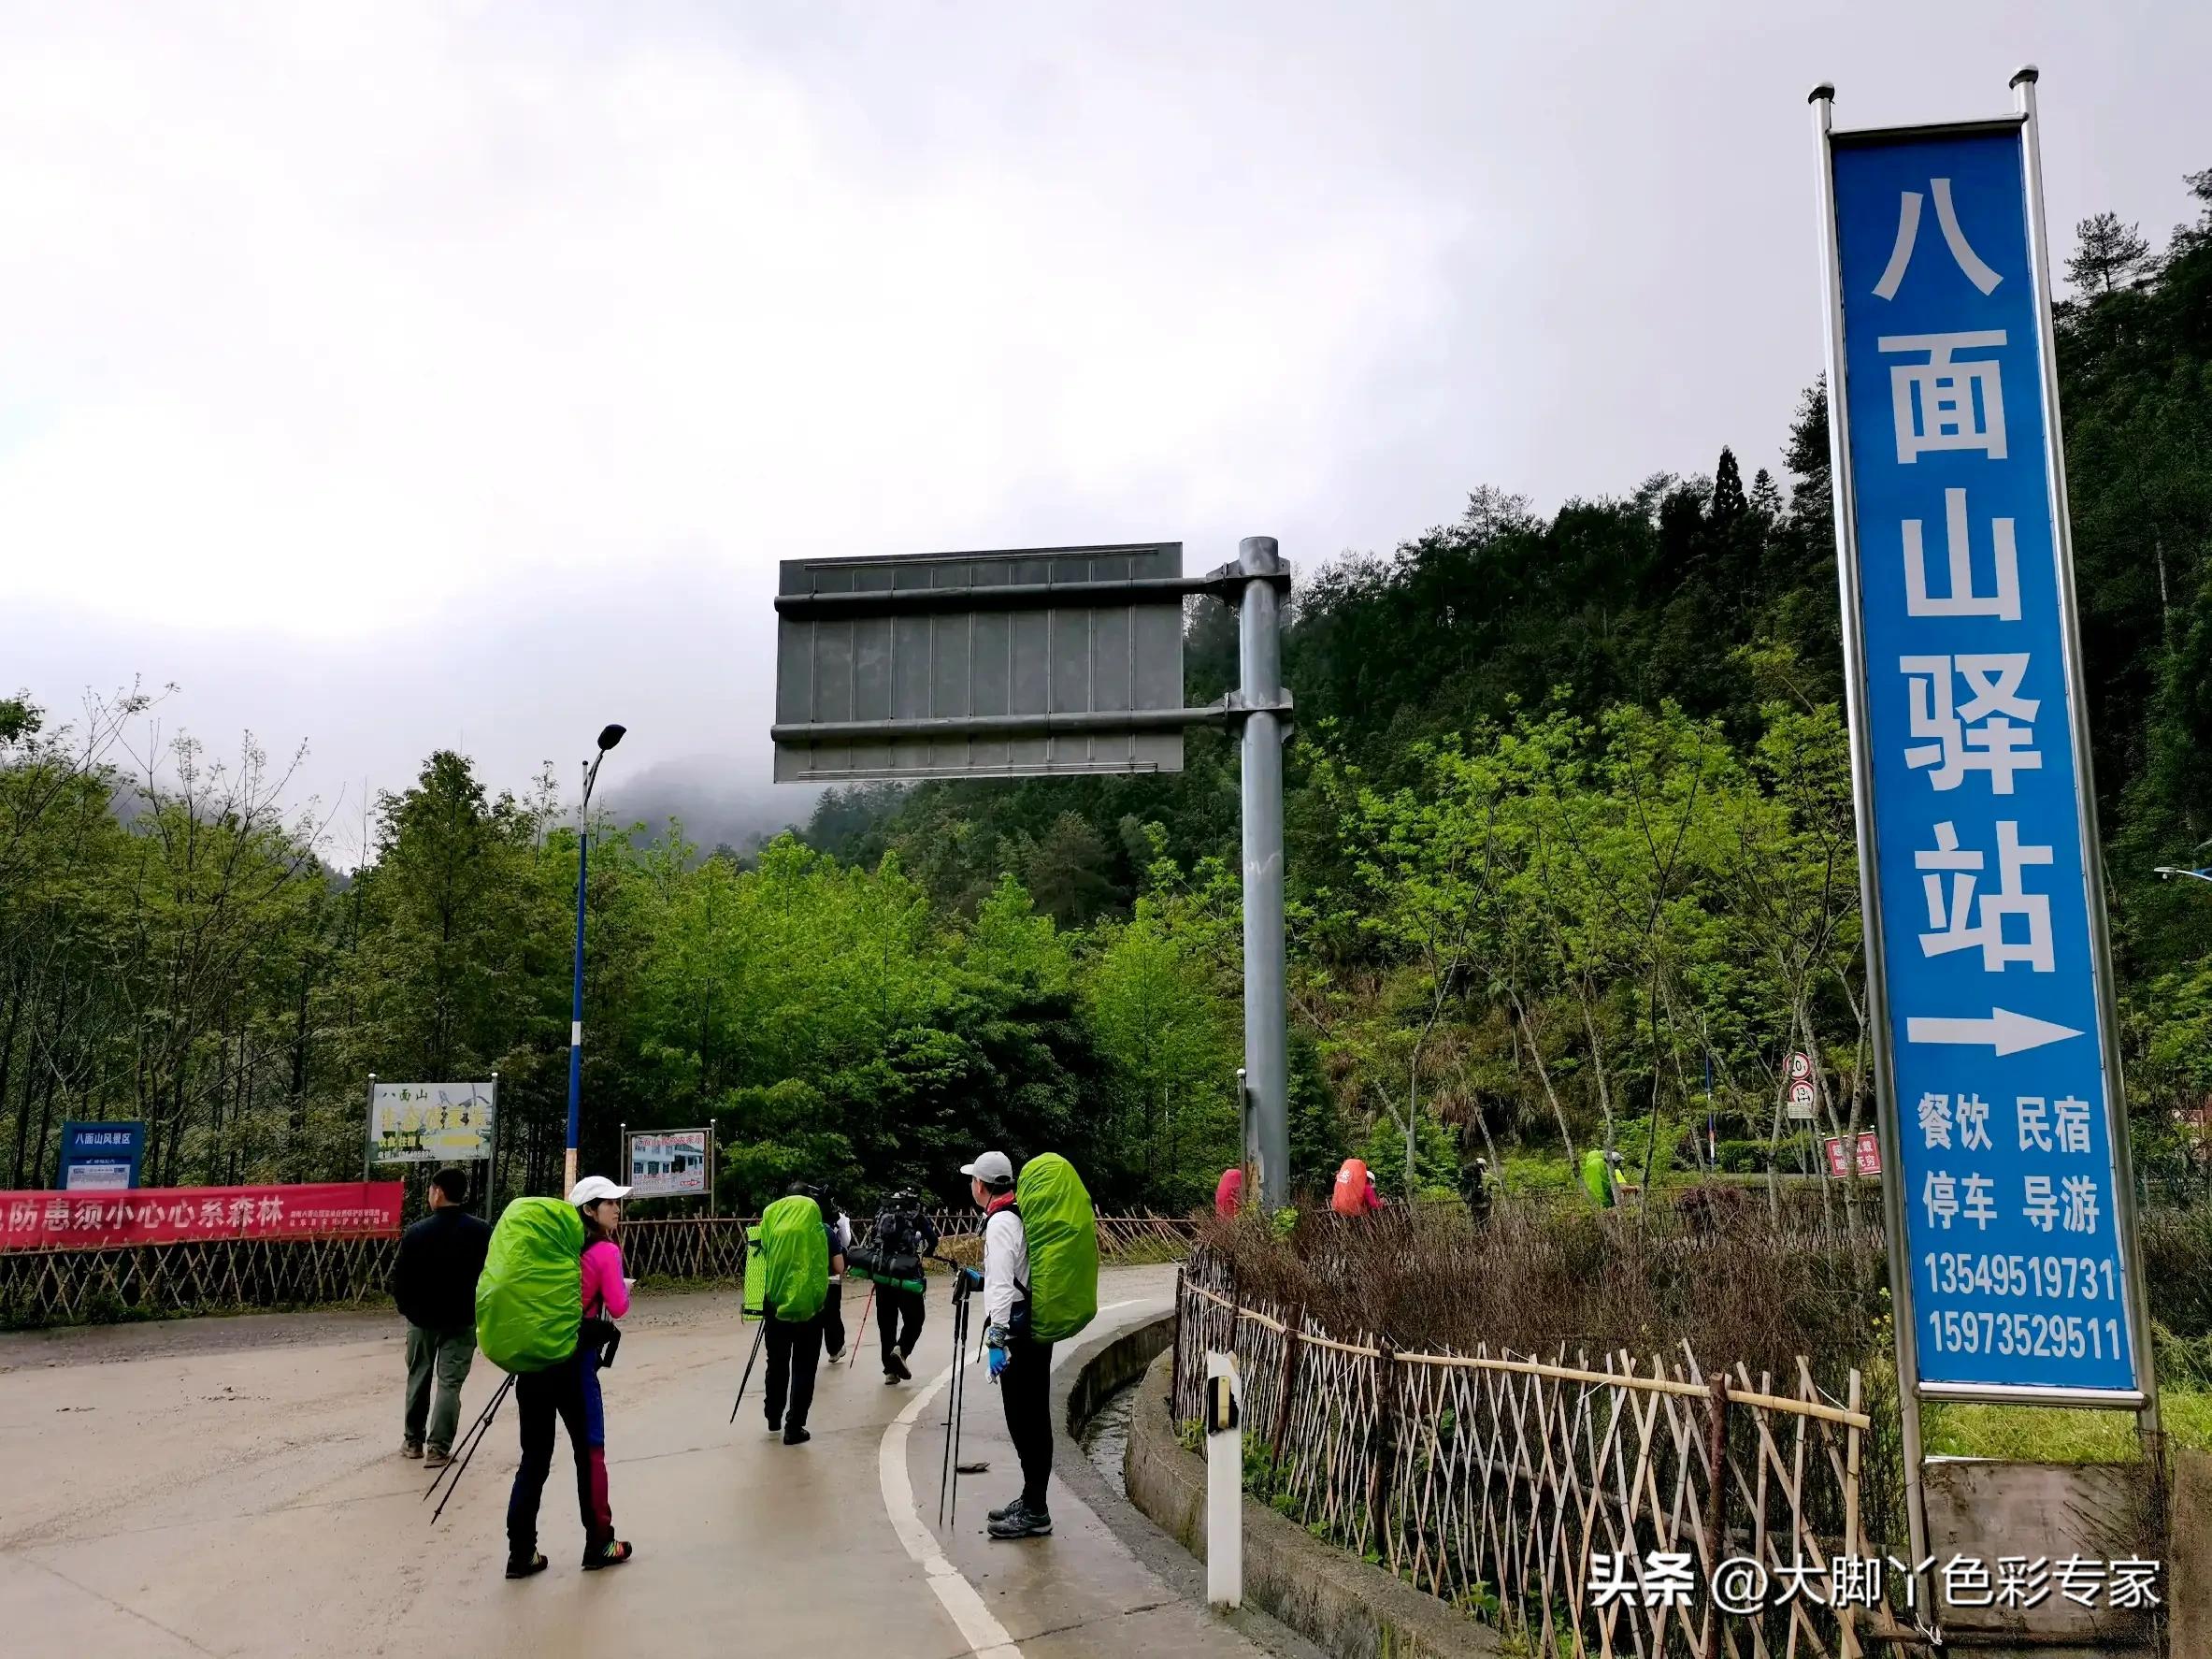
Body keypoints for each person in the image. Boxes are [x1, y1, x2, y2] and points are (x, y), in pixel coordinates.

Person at [506, 1175, 633, 1579]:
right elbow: (619, 1306)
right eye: (608, 1202)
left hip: (535, 1361)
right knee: (590, 1453)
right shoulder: (605, 1251)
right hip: (575, 1365)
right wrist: (624, 1288)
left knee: (534, 1458)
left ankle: (521, 1553)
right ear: (589, 1211)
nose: (616, 1208)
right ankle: (600, 1542)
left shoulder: (553, 1249)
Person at [962, 1149, 1053, 1541]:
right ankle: (1032, 1499)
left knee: (1025, 1420)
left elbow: (1002, 1286)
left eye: (973, 1179)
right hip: (1031, 1326)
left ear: (981, 1185)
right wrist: (979, 1280)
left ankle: (1036, 1510)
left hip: (1017, 1333)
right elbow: (1017, 1275)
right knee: (1032, 1417)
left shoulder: (1000, 1222)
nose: (971, 1185)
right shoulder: (1016, 1213)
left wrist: (996, 1338)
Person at [393, 1165, 491, 1465]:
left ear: (438, 1193)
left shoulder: (417, 1232)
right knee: (450, 1383)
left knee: (418, 1377)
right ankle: (438, 1448)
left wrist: (408, 1310)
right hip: (462, 1319)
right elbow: (491, 1275)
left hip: (422, 1321)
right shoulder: (481, 1232)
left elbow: (399, 1279)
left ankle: (413, 1442)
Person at [763, 1183, 840, 1446]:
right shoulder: (822, 1228)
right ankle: (794, 1427)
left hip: (775, 1303)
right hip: (811, 1307)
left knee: (776, 1362)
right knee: (804, 1367)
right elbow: (835, 1267)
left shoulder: (771, 1216)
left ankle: (773, 1417)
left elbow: (762, 1253)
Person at [870, 1190, 940, 1383]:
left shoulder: (882, 1212)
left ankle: (890, 1372)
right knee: (916, 1318)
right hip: (907, 1274)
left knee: (886, 1323)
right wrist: (928, 1251)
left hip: (883, 1273)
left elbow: (874, 1239)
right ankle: (901, 1350)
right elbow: (933, 1239)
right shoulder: (915, 1215)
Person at [820, 1190, 854, 1363]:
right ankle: (835, 1348)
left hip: (811, 1273)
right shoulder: (839, 1219)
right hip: (833, 1270)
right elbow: (846, 1241)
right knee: (832, 1308)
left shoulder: (806, 1219)